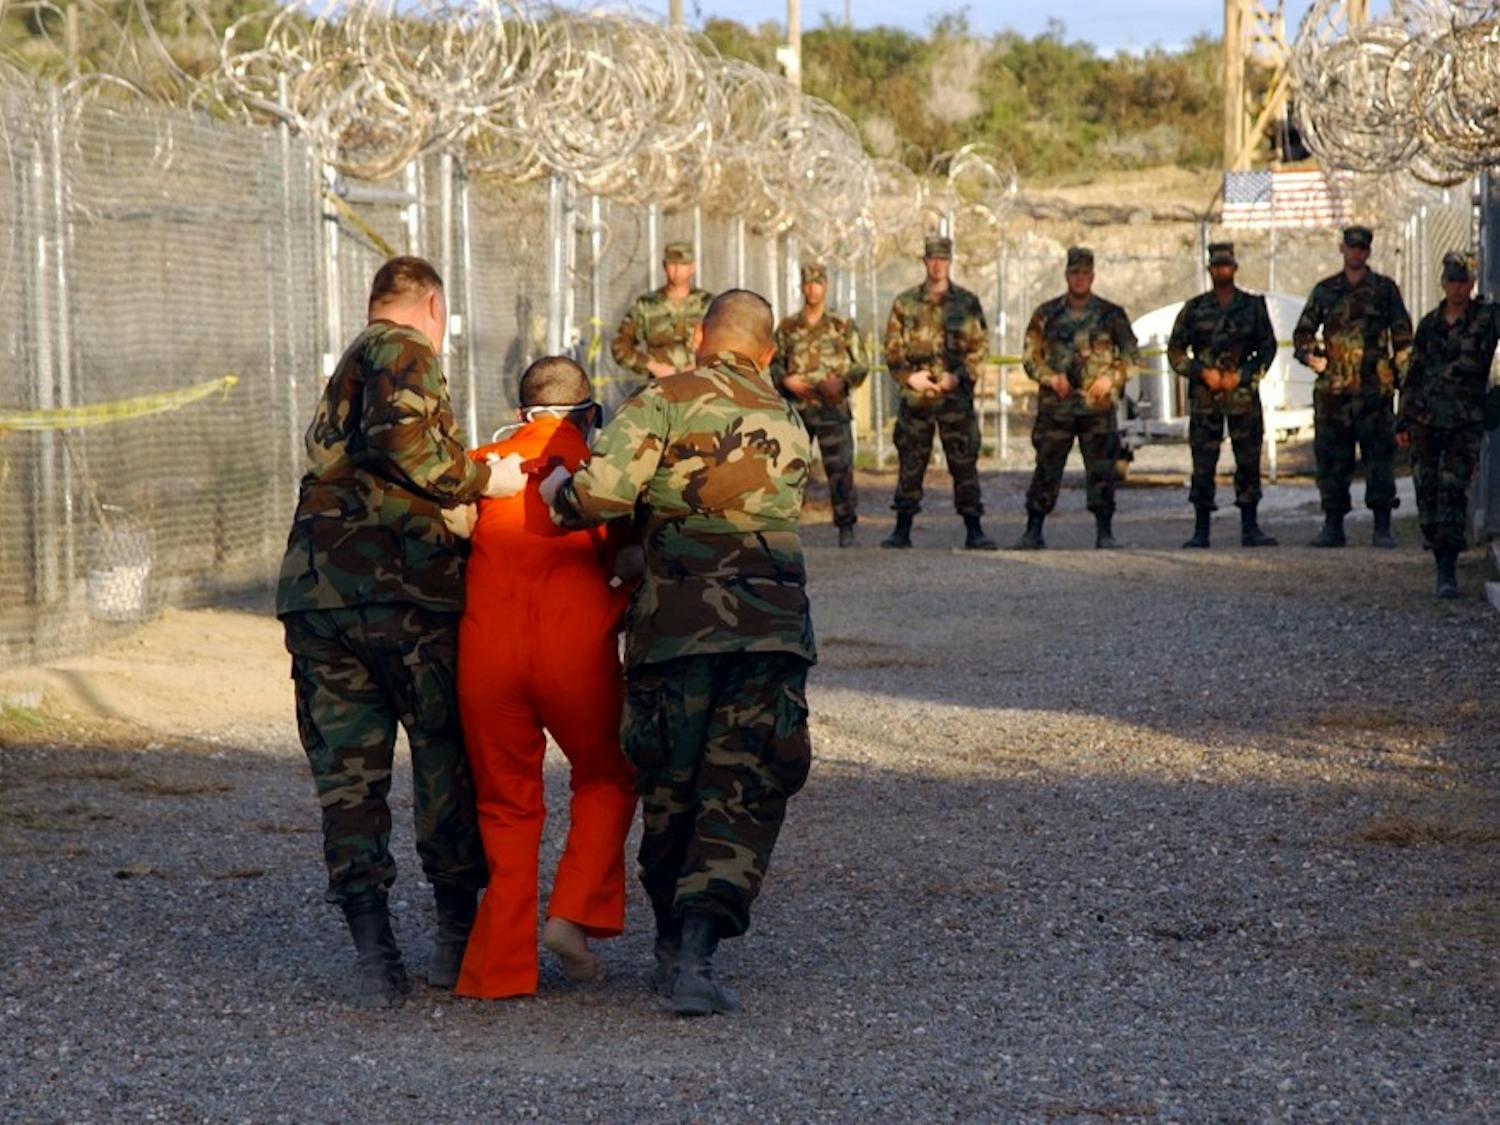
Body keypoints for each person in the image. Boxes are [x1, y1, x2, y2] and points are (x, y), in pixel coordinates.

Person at [540, 290, 815, 1017]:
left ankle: (669, 945)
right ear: (767, 350)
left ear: (699, 336)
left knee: (671, 779)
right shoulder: (789, 420)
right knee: (743, 784)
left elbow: (601, 496)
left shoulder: (660, 399)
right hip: (770, 628)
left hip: (677, 628)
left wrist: (557, 489)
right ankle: (696, 950)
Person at [275, 256, 526, 1008]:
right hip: (405, 596)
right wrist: (486, 483)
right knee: (446, 762)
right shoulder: (401, 348)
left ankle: (375, 952)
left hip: (323, 596)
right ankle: (455, 940)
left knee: (349, 781)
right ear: (433, 305)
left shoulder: (352, 360)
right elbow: (403, 440)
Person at [448, 357, 639, 999]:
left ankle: (498, 971)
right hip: (574, 651)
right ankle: (571, 916)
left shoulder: (482, 463)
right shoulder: (598, 472)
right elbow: (632, 555)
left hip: (487, 655)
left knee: (504, 804)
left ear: (521, 409)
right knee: (608, 773)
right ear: (588, 412)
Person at [1293, 224, 1413, 548]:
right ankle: (1333, 525)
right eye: (1352, 247)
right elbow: (1302, 334)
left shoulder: (1384, 289)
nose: (1357, 253)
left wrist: (1403, 381)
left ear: (1368, 252)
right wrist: (1311, 356)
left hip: (1374, 390)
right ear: (1342, 249)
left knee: (1379, 460)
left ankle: (1382, 526)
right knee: (1333, 460)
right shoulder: (1325, 290)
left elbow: (1402, 337)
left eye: (1362, 248)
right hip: (1334, 391)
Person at [1015, 246, 1140, 550]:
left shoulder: (1111, 315)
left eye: (1085, 273)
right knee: (1046, 466)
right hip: (1057, 407)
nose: (1080, 278)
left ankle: (1104, 532)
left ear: (1092, 276)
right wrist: (1051, 378)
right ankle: (1033, 530)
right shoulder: (1046, 315)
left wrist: (1110, 378)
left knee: (1101, 469)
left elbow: (1131, 356)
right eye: (1074, 273)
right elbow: (1031, 358)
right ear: (1066, 275)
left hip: (1097, 408)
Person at [880, 234, 997, 550]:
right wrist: (909, 377)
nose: (937, 264)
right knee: (911, 463)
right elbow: (892, 350)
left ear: (950, 262)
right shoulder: (906, 303)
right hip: (917, 399)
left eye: (942, 259)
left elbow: (979, 349)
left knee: (963, 463)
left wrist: (957, 378)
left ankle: (974, 529)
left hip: (954, 399)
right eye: (932, 258)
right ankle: (902, 529)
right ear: (924, 261)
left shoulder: (967, 303)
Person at [1396, 252, 1500, 597]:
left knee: (1453, 492)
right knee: (1427, 494)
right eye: (1452, 281)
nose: (1458, 288)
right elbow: (1414, 374)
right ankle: (1436, 546)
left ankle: (1447, 569)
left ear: (1472, 283)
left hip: (1464, 421)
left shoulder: (1486, 319)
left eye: (1464, 281)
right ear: (1443, 283)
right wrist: (1403, 419)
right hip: (1426, 420)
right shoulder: (1429, 324)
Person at [1167, 241, 1280, 548]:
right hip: (1206, 399)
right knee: (1203, 464)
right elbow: (1175, 351)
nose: (1222, 270)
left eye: (1227, 265)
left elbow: (1268, 347)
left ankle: (1250, 527)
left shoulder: (1253, 306)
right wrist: (1201, 372)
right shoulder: (1195, 308)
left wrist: (1242, 375)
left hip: (1242, 397)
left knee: (1247, 461)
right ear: (1210, 269)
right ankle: (1201, 530)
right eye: (1217, 266)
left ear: (1235, 267)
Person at [772, 262, 869, 547]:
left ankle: (846, 528)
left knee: (840, 469)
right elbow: (774, 362)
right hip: (798, 409)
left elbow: (861, 364)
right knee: (790, 469)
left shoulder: (842, 326)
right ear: (802, 287)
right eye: (808, 283)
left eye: (817, 283)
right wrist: (786, 381)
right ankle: (785, 529)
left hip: (832, 409)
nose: (812, 288)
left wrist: (842, 382)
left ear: (825, 286)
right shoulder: (788, 327)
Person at [610, 241, 713, 384]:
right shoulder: (648, 305)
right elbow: (620, 346)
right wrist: (651, 366)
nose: (677, 270)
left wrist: (701, 365)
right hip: (660, 387)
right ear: (664, 266)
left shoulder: (708, 304)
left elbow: (725, 344)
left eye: (683, 264)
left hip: (700, 386)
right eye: (672, 264)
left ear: (692, 267)